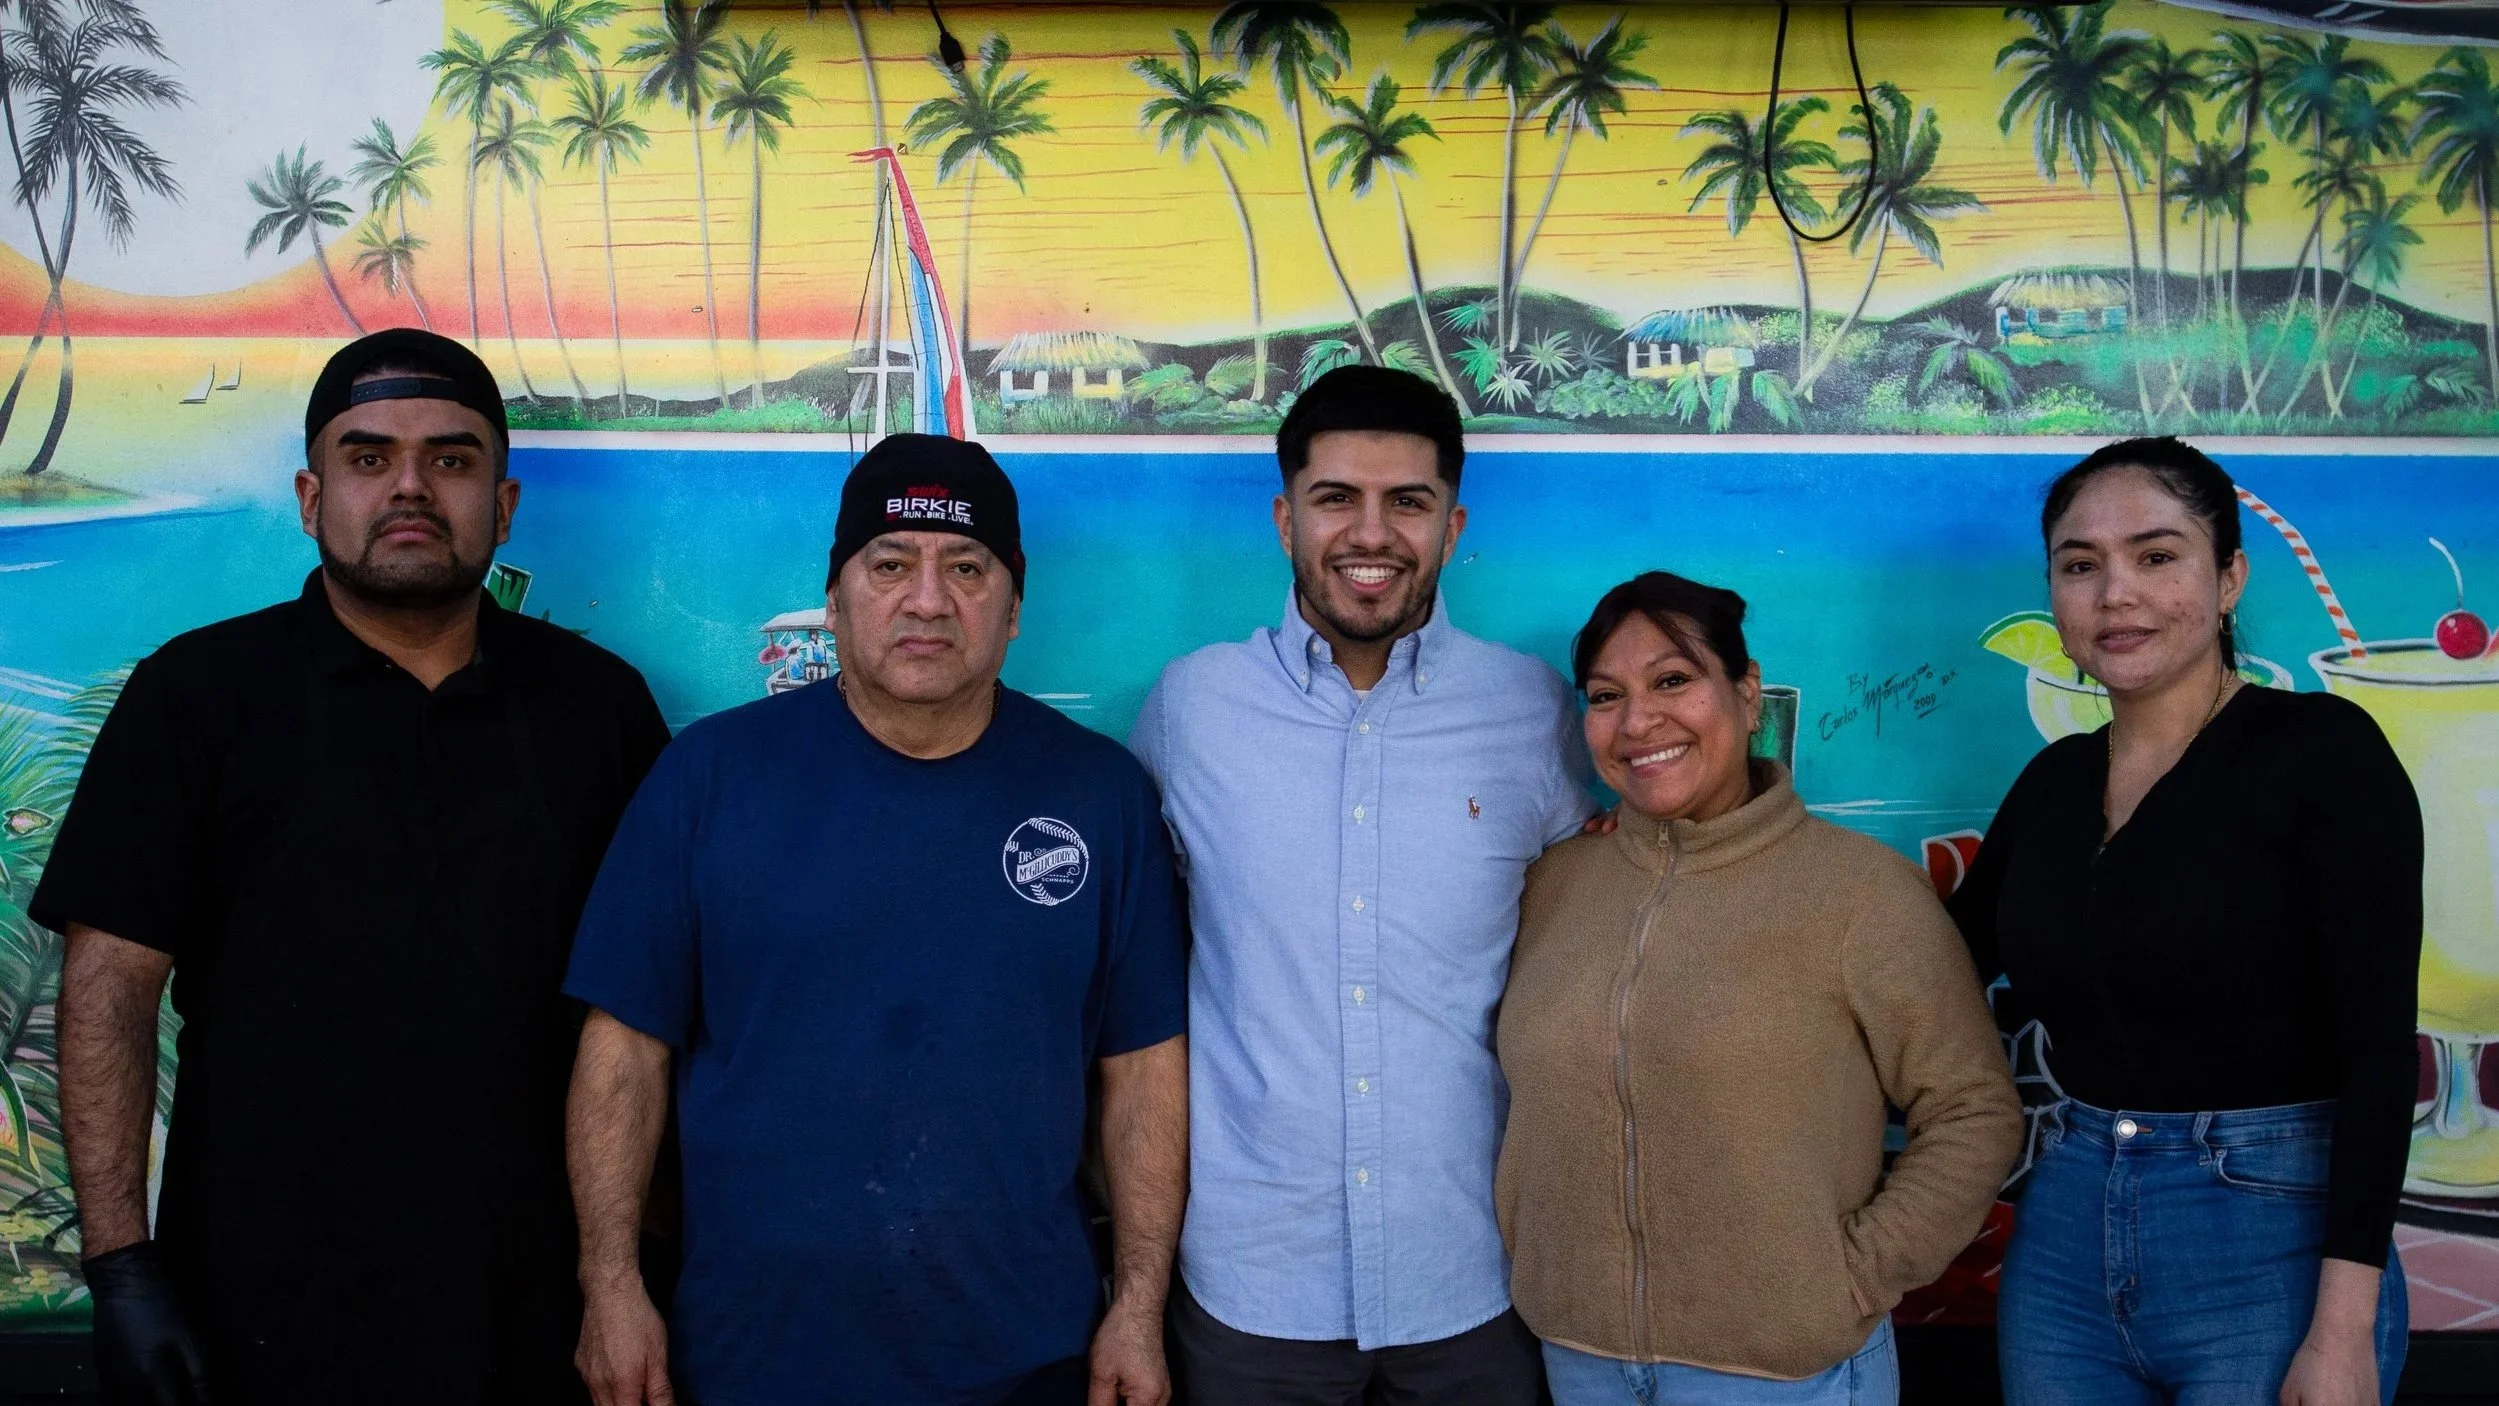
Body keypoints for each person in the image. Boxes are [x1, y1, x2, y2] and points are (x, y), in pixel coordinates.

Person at [33, 328, 672, 1406]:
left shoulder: (597, 707)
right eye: (369, 457)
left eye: (452, 460)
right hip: (256, 1301)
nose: (411, 487)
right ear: (309, 493)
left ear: (505, 504)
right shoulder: (196, 697)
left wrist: (629, 1268)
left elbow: (650, 1011)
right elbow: (111, 986)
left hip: (534, 1305)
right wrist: (122, 1264)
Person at [562, 434, 1189, 1406]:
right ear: (837, 595)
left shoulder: (1100, 794)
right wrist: (610, 1283)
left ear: (1014, 608)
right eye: (891, 563)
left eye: (968, 569)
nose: (929, 599)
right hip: (748, 1353)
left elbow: (1143, 1069)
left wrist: (1139, 1303)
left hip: (1026, 1356)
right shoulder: (710, 778)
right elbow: (625, 1049)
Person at [1129, 366, 1593, 1404]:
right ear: (1286, 516)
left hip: (1474, 1277)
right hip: (1255, 1285)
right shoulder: (1190, 707)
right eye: (1337, 498)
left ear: (1454, 523)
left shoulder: (1533, 709)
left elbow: (1584, 949)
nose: (1371, 534)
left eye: (1408, 502)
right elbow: (1133, 970)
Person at [1950, 437, 2420, 1406]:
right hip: (2067, 1224)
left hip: (2273, 1227)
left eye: (2157, 555)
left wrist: (2342, 1328)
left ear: (2231, 576)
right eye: (2081, 565)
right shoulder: (2054, 784)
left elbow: (2379, 1053)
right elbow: (1938, 965)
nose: (2116, 592)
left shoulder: (2324, 753)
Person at [1497, 570, 2022, 1406]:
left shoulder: (1857, 891)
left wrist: (1844, 1280)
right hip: (1576, 1357)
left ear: (1745, 693)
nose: (1639, 721)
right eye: (1605, 695)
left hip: (1785, 1372)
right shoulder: (1553, 884)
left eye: (1673, 681)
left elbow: (1972, 1109)